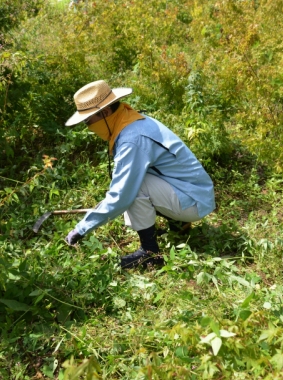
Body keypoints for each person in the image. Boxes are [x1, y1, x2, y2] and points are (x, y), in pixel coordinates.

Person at [64, 80, 215, 269]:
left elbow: (121, 196)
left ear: (104, 113)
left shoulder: (131, 140)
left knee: (134, 186)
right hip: (195, 191)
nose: (88, 126)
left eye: (88, 121)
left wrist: (80, 229)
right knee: (135, 181)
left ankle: (150, 253)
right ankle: (179, 224)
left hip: (194, 201)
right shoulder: (130, 119)